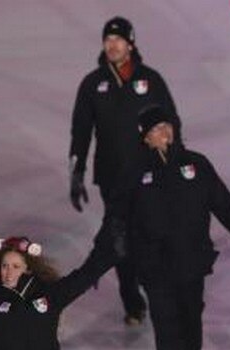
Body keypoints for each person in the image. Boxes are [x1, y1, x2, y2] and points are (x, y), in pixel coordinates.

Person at [111, 105, 230, 350]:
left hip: (192, 263)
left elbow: (222, 202)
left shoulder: (196, 164)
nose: (163, 134)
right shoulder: (135, 171)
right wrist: (119, 242)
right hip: (154, 267)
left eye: (167, 127)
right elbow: (118, 213)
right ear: (145, 138)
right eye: (155, 130)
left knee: (191, 328)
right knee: (167, 331)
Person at [69, 16, 180, 324]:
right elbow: (80, 131)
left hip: (150, 176)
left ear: (131, 44)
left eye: (118, 40)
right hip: (113, 178)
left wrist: (174, 160)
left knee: (151, 233)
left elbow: (172, 122)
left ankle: (157, 290)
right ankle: (132, 301)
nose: (112, 45)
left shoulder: (150, 80)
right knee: (122, 240)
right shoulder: (93, 84)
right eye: (108, 40)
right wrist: (76, 171)